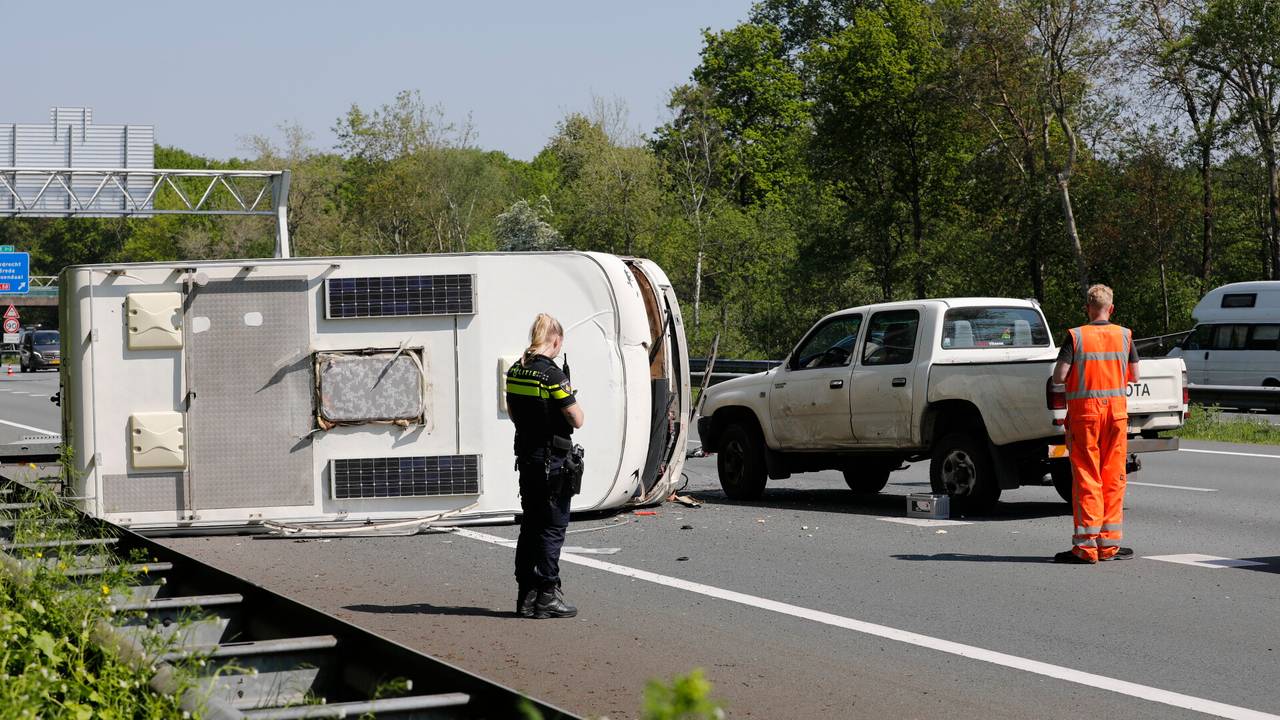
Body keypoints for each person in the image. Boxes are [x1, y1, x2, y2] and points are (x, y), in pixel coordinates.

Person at [1051, 284, 1140, 564]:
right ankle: (1108, 545)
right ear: (1111, 309)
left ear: (1088, 309)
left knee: (1088, 477)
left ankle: (1086, 548)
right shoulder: (1125, 336)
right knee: (1113, 477)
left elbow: (1058, 376)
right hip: (1116, 415)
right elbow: (1134, 376)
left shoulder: (1076, 336)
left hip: (1085, 416)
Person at [505, 313, 585, 617]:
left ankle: (526, 595)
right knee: (552, 527)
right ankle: (548, 596)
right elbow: (577, 418)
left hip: (527, 457)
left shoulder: (516, 370)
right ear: (556, 340)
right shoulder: (552, 375)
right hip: (554, 460)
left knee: (531, 525)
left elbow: (513, 412)